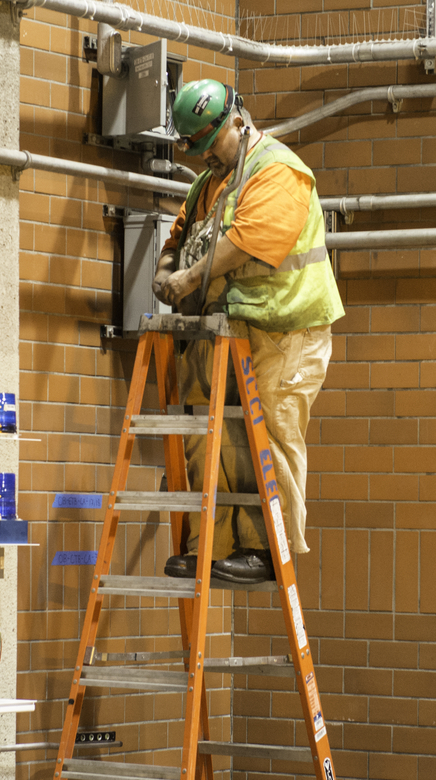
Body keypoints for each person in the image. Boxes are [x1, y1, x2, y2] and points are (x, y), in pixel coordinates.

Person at [152, 78, 344, 584]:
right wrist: (163, 269)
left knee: (272, 436)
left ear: (237, 121)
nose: (205, 159)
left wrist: (188, 278)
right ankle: (213, 546)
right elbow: (179, 234)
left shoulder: (279, 171)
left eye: (211, 146)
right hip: (231, 333)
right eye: (196, 151)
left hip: (286, 332)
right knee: (215, 438)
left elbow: (251, 240)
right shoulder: (208, 182)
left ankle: (267, 549)